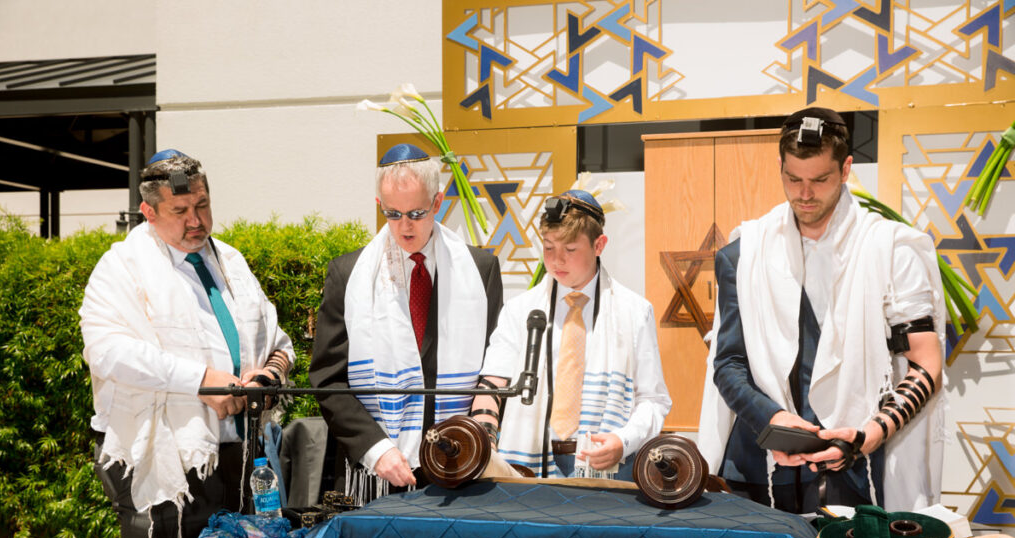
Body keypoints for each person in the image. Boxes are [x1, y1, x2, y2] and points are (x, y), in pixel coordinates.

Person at [79, 149, 294, 538]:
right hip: (162, 460)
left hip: (241, 454)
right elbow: (108, 351)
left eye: (203, 205)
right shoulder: (121, 268)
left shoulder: (231, 260)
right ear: (148, 212)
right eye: (181, 211)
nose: (196, 220)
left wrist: (267, 375)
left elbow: (278, 338)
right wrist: (200, 381)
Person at [698, 107, 946, 514]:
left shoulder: (890, 250)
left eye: (820, 179)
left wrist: (869, 434)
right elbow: (728, 362)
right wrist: (771, 418)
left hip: (856, 468)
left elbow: (925, 363)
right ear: (780, 166)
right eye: (792, 179)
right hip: (757, 469)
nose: (804, 193)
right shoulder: (745, 253)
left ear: (846, 169)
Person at [309, 143, 503, 501]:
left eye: (415, 212)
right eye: (392, 214)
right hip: (379, 468)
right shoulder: (349, 274)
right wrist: (375, 448)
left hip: (461, 463)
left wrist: (479, 434)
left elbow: (495, 370)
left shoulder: (480, 270)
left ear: (438, 202)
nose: (404, 226)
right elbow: (327, 379)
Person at [471, 190, 671, 479]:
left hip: (607, 463)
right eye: (549, 247)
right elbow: (492, 384)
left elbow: (654, 400)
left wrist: (624, 440)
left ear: (599, 245)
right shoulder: (521, 311)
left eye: (570, 249)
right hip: (527, 463)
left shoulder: (634, 312)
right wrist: (486, 436)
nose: (556, 261)